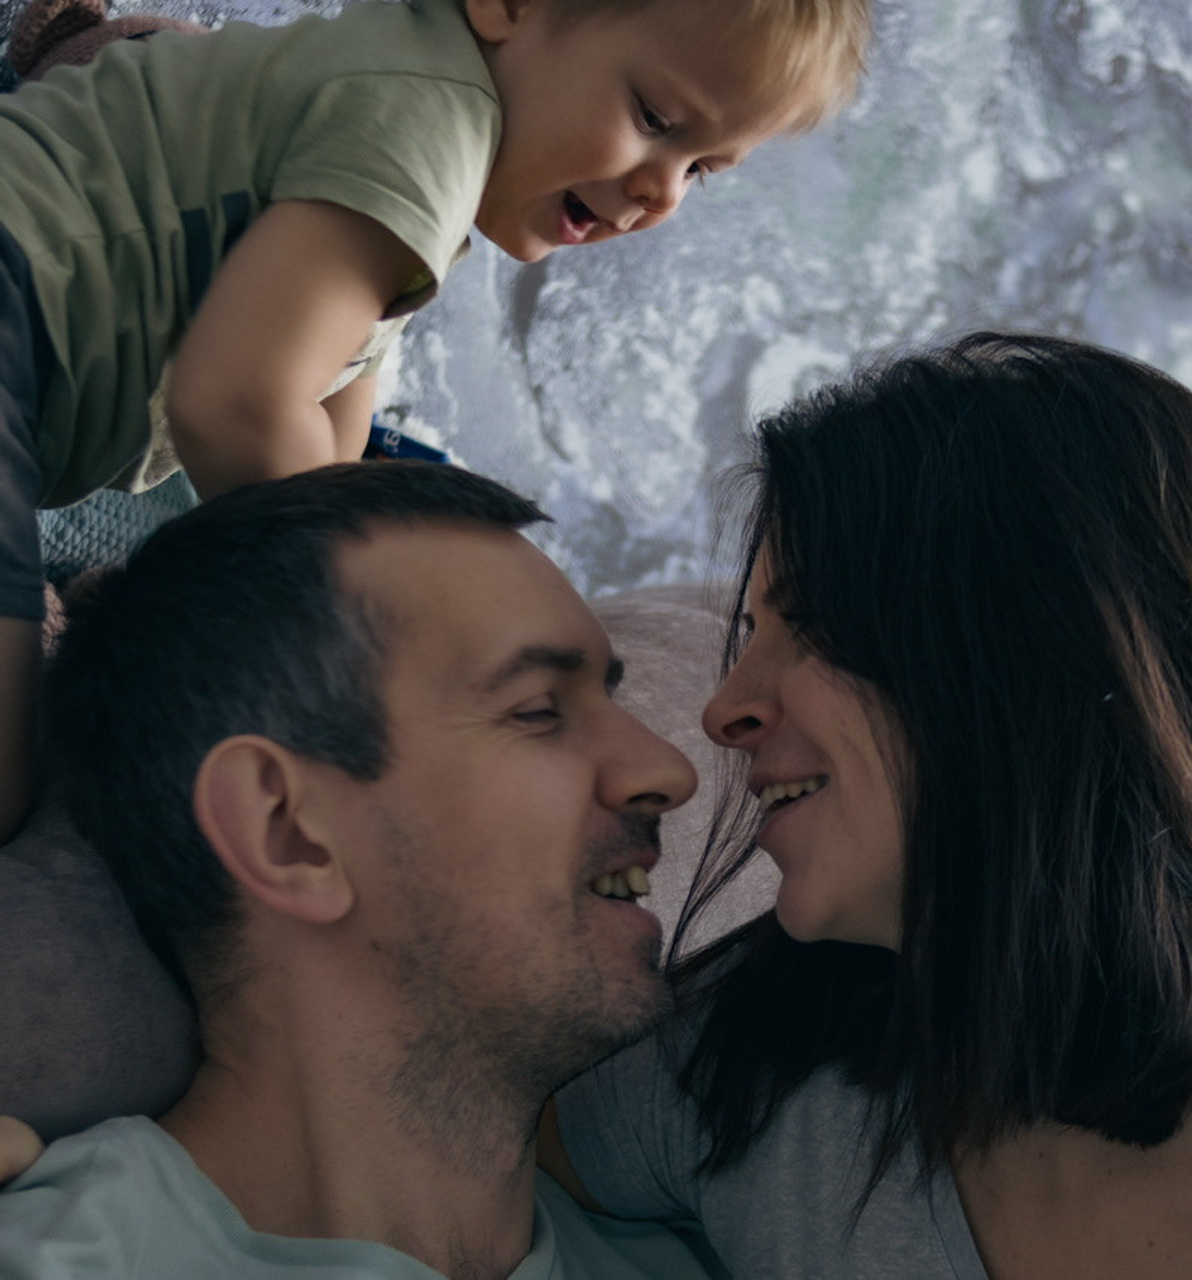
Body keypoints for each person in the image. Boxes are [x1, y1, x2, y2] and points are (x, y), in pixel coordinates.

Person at [0, 0, 872, 845]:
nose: (660, 192)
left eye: (702, 169)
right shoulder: (424, 126)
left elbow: (330, 437)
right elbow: (239, 403)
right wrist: (367, 647)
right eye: (655, 117)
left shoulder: (420, 150)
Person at [545, 332, 1192, 1278]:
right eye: (748, 636)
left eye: (813, 627)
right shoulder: (739, 1072)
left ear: (1026, 661)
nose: (724, 710)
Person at [0, 459, 724, 1278]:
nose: (671, 770)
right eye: (536, 712)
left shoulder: (733, 1249)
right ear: (288, 833)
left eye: (613, 701)